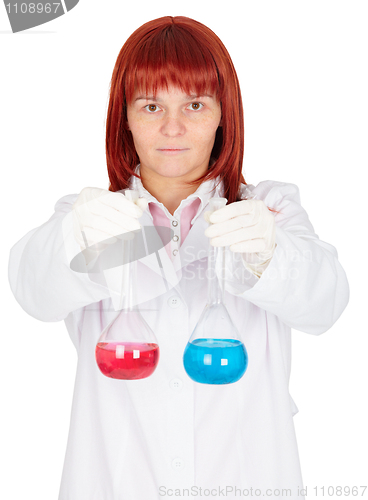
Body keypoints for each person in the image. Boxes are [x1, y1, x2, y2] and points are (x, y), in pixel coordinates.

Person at [8, 15, 349, 500]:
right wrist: (73, 238)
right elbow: (31, 290)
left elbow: (327, 303)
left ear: (222, 114)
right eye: (151, 106)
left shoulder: (268, 209)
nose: (172, 127)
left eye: (194, 104)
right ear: (123, 118)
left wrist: (272, 252)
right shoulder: (91, 217)